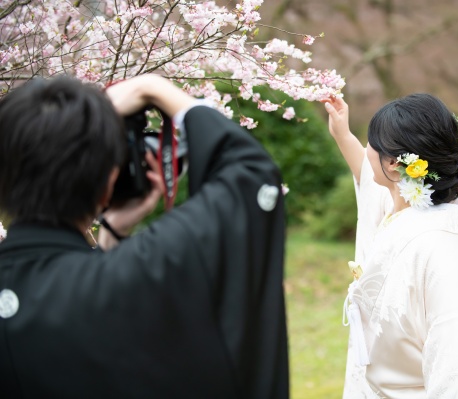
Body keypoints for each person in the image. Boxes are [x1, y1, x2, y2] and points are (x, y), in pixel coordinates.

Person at [0, 75, 289, 398]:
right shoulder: (139, 275)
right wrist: (152, 88)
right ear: (110, 179)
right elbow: (250, 182)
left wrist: (111, 232)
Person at [323, 94, 458, 398]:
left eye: (371, 143)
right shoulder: (404, 203)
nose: (367, 151)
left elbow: (456, 369)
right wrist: (342, 133)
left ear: (394, 165)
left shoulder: (445, 247)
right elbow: (370, 178)